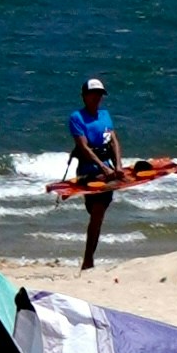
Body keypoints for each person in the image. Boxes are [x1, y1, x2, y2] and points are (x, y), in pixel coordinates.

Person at [67, 76, 125, 270]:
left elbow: (113, 141)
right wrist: (103, 167)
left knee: (98, 213)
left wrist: (118, 165)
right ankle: (88, 259)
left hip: (107, 170)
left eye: (99, 94)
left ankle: (88, 259)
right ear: (84, 96)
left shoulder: (105, 116)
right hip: (88, 170)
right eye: (93, 94)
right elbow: (83, 147)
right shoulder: (77, 117)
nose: (96, 98)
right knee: (96, 212)